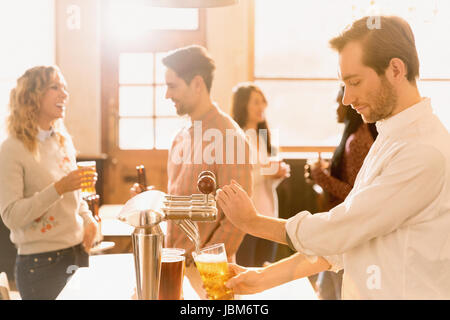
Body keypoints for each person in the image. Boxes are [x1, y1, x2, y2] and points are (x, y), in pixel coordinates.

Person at [216, 16, 450, 299]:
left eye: (354, 82)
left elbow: (341, 230)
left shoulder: (423, 151)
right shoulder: (389, 136)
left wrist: (254, 222)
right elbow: (346, 242)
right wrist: (262, 278)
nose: (346, 99)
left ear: (396, 69)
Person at [130, 45, 253, 299]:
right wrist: (152, 198)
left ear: (197, 83)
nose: (166, 95)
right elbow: (180, 197)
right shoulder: (180, 136)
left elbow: (236, 219)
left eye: (172, 86)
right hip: (174, 269)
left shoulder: (228, 136)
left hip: (210, 276)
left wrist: (206, 271)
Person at [0, 66, 98, 300]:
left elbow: (76, 196)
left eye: (64, 87)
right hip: (40, 265)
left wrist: (88, 219)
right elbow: (11, 216)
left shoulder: (63, 141)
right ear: (31, 95)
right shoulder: (12, 149)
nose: (64, 94)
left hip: (77, 254)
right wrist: (59, 188)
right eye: (55, 87)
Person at [307, 85, 378, 299]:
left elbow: (354, 194)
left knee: (337, 293)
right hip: (337, 234)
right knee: (326, 291)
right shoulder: (355, 137)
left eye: (339, 102)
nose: (337, 107)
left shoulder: (356, 141)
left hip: (345, 235)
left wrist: (319, 175)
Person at [231, 83, 290, 267]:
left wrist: (277, 174)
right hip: (246, 219)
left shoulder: (263, 136)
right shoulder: (235, 137)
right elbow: (236, 181)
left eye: (263, 102)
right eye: (256, 102)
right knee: (247, 270)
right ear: (243, 105)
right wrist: (267, 172)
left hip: (269, 217)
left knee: (265, 270)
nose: (262, 106)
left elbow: (265, 180)